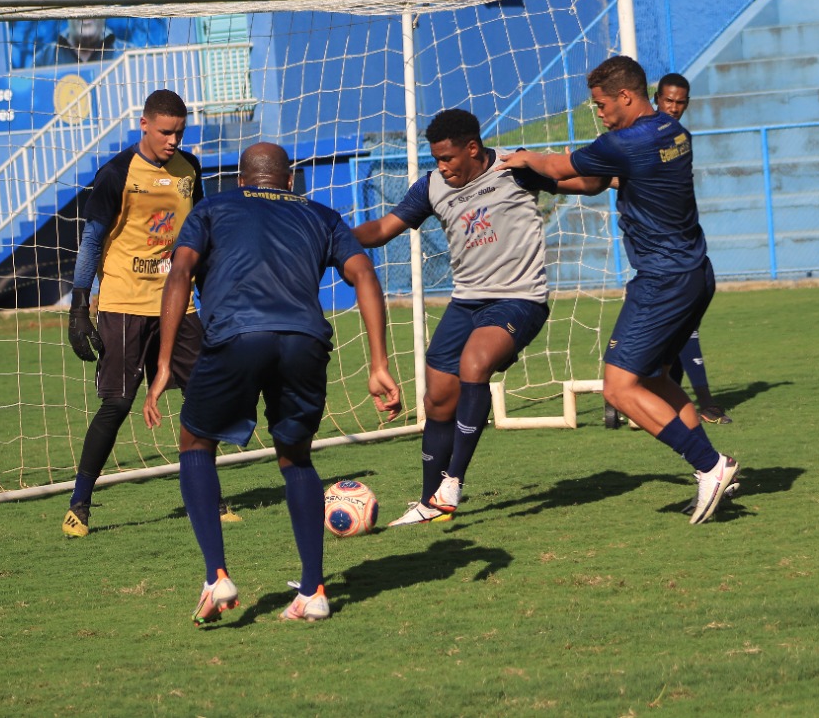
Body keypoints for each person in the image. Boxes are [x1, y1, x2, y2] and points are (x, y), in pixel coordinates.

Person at [142, 142, 401, 626]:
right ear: (288, 181)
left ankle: (216, 576)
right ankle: (314, 591)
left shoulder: (212, 207)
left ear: (241, 181)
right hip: (305, 341)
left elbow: (179, 272)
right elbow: (363, 271)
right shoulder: (321, 215)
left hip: (239, 335)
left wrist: (162, 365)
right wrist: (378, 361)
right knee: (295, 456)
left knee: (195, 441)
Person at [498, 56, 738, 525]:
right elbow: (594, 182)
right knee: (653, 379)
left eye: (601, 104)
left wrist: (527, 161)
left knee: (618, 387)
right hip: (695, 273)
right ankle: (710, 471)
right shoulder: (673, 133)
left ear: (625, 96)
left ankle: (711, 466)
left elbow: (558, 164)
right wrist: (550, 180)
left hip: (662, 280)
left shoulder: (625, 140)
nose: (600, 113)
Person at [353, 109, 599, 527]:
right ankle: (430, 502)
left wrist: (593, 167)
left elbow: (589, 184)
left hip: (519, 299)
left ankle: (454, 482)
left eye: (448, 158)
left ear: (472, 148)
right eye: (436, 159)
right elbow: (379, 230)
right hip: (465, 303)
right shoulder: (430, 187)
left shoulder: (515, 168)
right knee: (437, 400)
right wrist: (322, 237)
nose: (442, 167)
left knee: (475, 364)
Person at [62, 89, 238, 536]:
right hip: (123, 301)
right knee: (118, 402)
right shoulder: (116, 173)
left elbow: (196, 233)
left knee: (203, 395)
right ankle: (79, 504)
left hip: (177, 301)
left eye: (179, 131)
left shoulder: (190, 168)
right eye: (165, 131)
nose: (173, 140)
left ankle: (211, 498)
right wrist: (79, 305)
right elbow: (92, 241)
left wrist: (209, 290)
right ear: (144, 125)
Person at [654, 73, 731, 425]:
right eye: (668, 100)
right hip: (662, 252)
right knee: (680, 327)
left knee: (685, 326)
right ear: (656, 99)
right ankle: (701, 402)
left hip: (682, 247)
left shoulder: (681, 139)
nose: (674, 107)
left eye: (680, 102)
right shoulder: (645, 137)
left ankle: (686, 397)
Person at [34, 0, 123, 67]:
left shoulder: (130, 58)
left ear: (106, 2)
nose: (86, 5)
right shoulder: (43, 62)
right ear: (65, 3)